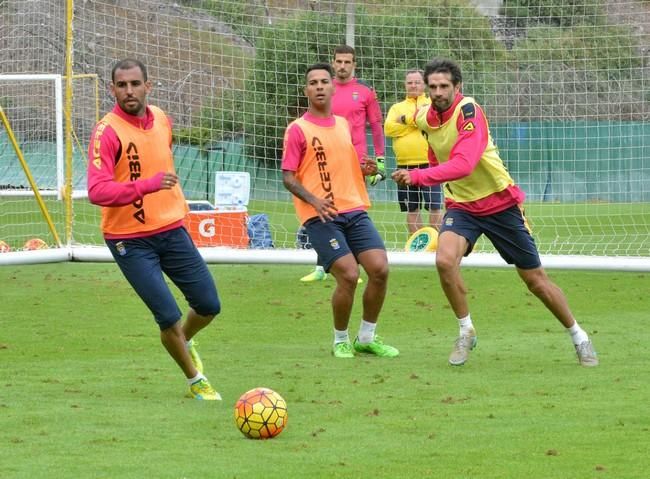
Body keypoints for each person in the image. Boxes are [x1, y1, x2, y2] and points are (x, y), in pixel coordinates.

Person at [391, 58, 598, 367]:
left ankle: (579, 336)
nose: (437, 92)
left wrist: (419, 177)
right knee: (445, 260)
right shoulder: (424, 118)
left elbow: (464, 164)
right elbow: (435, 152)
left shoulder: (469, 111)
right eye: (432, 86)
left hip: (500, 204)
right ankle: (466, 330)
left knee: (536, 281)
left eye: (444, 86)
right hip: (462, 206)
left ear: (457, 87)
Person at [87, 58, 222, 399]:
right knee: (167, 315)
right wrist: (145, 185)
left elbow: (161, 158)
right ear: (112, 89)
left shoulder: (162, 119)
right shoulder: (107, 132)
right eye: (122, 85)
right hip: (129, 241)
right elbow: (97, 190)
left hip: (171, 229)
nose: (129, 91)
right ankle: (196, 381)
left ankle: (184, 339)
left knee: (208, 304)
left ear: (148, 85)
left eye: (135, 84)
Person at [282, 62, 398, 359]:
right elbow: (288, 177)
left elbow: (346, 168)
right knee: (347, 274)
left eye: (324, 81)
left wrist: (365, 169)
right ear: (306, 90)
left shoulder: (343, 125)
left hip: (354, 209)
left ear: (333, 87)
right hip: (322, 216)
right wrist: (315, 200)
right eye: (313, 82)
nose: (319, 86)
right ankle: (341, 340)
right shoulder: (297, 129)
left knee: (380, 269)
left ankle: (366, 337)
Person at [300, 44, 385, 282]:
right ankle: (323, 266)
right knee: (324, 209)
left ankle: (351, 263)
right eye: (339, 61)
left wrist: (380, 159)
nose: (343, 66)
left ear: (354, 64)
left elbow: (376, 125)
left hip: (356, 161)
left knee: (352, 211)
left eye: (348, 62)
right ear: (333, 62)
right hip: (323, 159)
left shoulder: (365, 92)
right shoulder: (325, 88)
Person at [384, 69, 443, 234]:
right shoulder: (397, 107)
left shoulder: (432, 104)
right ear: (405, 85)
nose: (413, 85)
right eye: (410, 82)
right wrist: (415, 122)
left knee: (435, 206)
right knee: (412, 208)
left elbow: (432, 121)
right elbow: (388, 128)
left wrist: (404, 121)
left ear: (424, 83)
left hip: (430, 164)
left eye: (417, 82)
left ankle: (438, 243)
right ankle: (418, 247)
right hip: (404, 165)